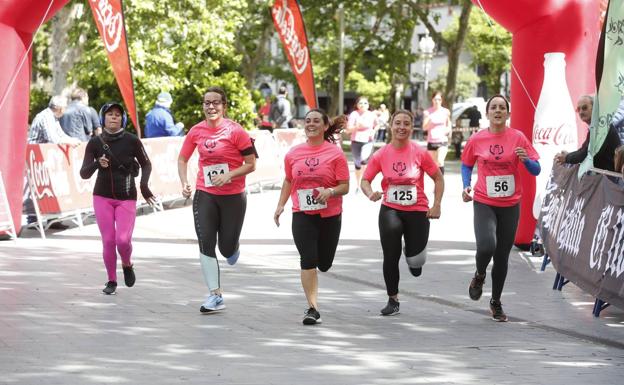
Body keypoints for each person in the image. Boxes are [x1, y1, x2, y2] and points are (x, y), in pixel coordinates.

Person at [461, 94, 541, 322]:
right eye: (493, 107)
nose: (498, 111)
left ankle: (495, 302)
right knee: (487, 246)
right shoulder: (477, 139)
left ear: (507, 113)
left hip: (510, 204)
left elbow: (536, 170)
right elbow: (467, 165)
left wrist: (526, 160)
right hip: (485, 200)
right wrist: (466, 186)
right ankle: (479, 275)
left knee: (502, 256)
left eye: (502, 108)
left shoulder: (517, 137)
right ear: (487, 113)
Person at [177, 86, 257, 313]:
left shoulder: (236, 131)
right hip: (205, 193)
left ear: (224, 106)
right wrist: (184, 182)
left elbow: (251, 164)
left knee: (226, 247)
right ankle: (215, 295)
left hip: (233, 196)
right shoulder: (196, 131)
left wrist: (229, 175)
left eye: (215, 103)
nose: (210, 106)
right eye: (206, 103)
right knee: (205, 243)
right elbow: (182, 159)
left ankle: (233, 248)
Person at [360, 110, 444, 316]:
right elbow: (365, 180)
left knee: (416, 265)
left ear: (411, 128)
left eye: (406, 123)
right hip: (391, 208)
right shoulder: (381, 154)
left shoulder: (420, 152)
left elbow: (438, 178)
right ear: (390, 126)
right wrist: (370, 193)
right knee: (390, 255)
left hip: (418, 210)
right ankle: (392, 299)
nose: (401, 127)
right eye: (397, 123)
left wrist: (437, 204)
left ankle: (412, 253)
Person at [273, 109, 349, 325]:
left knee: (323, 263)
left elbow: (345, 186)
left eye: (316, 121)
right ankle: (312, 308)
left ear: (325, 126)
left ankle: (320, 272)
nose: (311, 124)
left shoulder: (335, 154)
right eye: (307, 121)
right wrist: (280, 205)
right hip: (302, 213)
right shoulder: (294, 153)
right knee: (308, 260)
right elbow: (289, 180)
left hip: (330, 215)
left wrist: (330, 191)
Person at [79, 102, 156, 295]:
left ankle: (127, 264)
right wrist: (97, 163)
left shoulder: (132, 140)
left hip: (126, 197)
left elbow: (146, 165)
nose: (114, 117)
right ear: (103, 117)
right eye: (110, 114)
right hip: (101, 197)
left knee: (122, 241)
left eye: (117, 114)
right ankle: (111, 280)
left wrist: (144, 185)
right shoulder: (95, 143)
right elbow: (84, 174)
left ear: (122, 118)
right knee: (108, 241)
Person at [554, 95, 621, 171]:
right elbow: (583, 150)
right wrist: (568, 155)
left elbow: (587, 155)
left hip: (610, 180)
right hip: (604, 178)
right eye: (578, 109)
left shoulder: (601, 127)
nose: (581, 112)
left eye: (584, 108)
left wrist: (567, 157)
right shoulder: (596, 126)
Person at [346, 96, 376, 191]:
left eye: (365, 103)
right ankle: (358, 185)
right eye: (361, 103)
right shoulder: (354, 114)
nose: (363, 105)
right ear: (357, 105)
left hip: (368, 141)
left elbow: (377, 124)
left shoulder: (372, 115)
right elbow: (348, 130)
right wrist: (356, 127)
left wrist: (374, 131)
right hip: (356, 140)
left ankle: (365, 182)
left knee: (364, 159)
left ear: (368, 105)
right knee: (357, 164)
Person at [423, 91, 452, 174]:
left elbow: (449, 124)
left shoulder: (446, 111)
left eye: (439, 99)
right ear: (432, 100)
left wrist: (448, 130)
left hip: (442, 140)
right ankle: (437, 182)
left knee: (440, 161)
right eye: (435, 99)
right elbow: (424, 127)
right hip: (431, 141)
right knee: (434, 164)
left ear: (441, 100)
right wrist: (429, 120)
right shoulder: (427, 112)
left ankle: (441, 181)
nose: (437, 101)